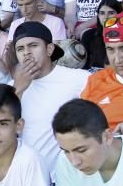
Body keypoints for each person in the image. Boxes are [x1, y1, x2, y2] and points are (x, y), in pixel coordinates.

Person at [11, 21, 90, 176]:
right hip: (28, 178)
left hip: (69, 177)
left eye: (33, 45)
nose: (26, 52)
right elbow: (2, 130)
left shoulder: (79, 79)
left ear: (49, 49)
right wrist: (18, 89)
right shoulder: (11, 89)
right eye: (20, 49)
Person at [79, 0, 123, 70]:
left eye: (111, 13)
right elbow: (83, 64)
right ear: (98, 16)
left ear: (119, 15)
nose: (106, 17)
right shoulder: (88, 35)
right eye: (102, 13)